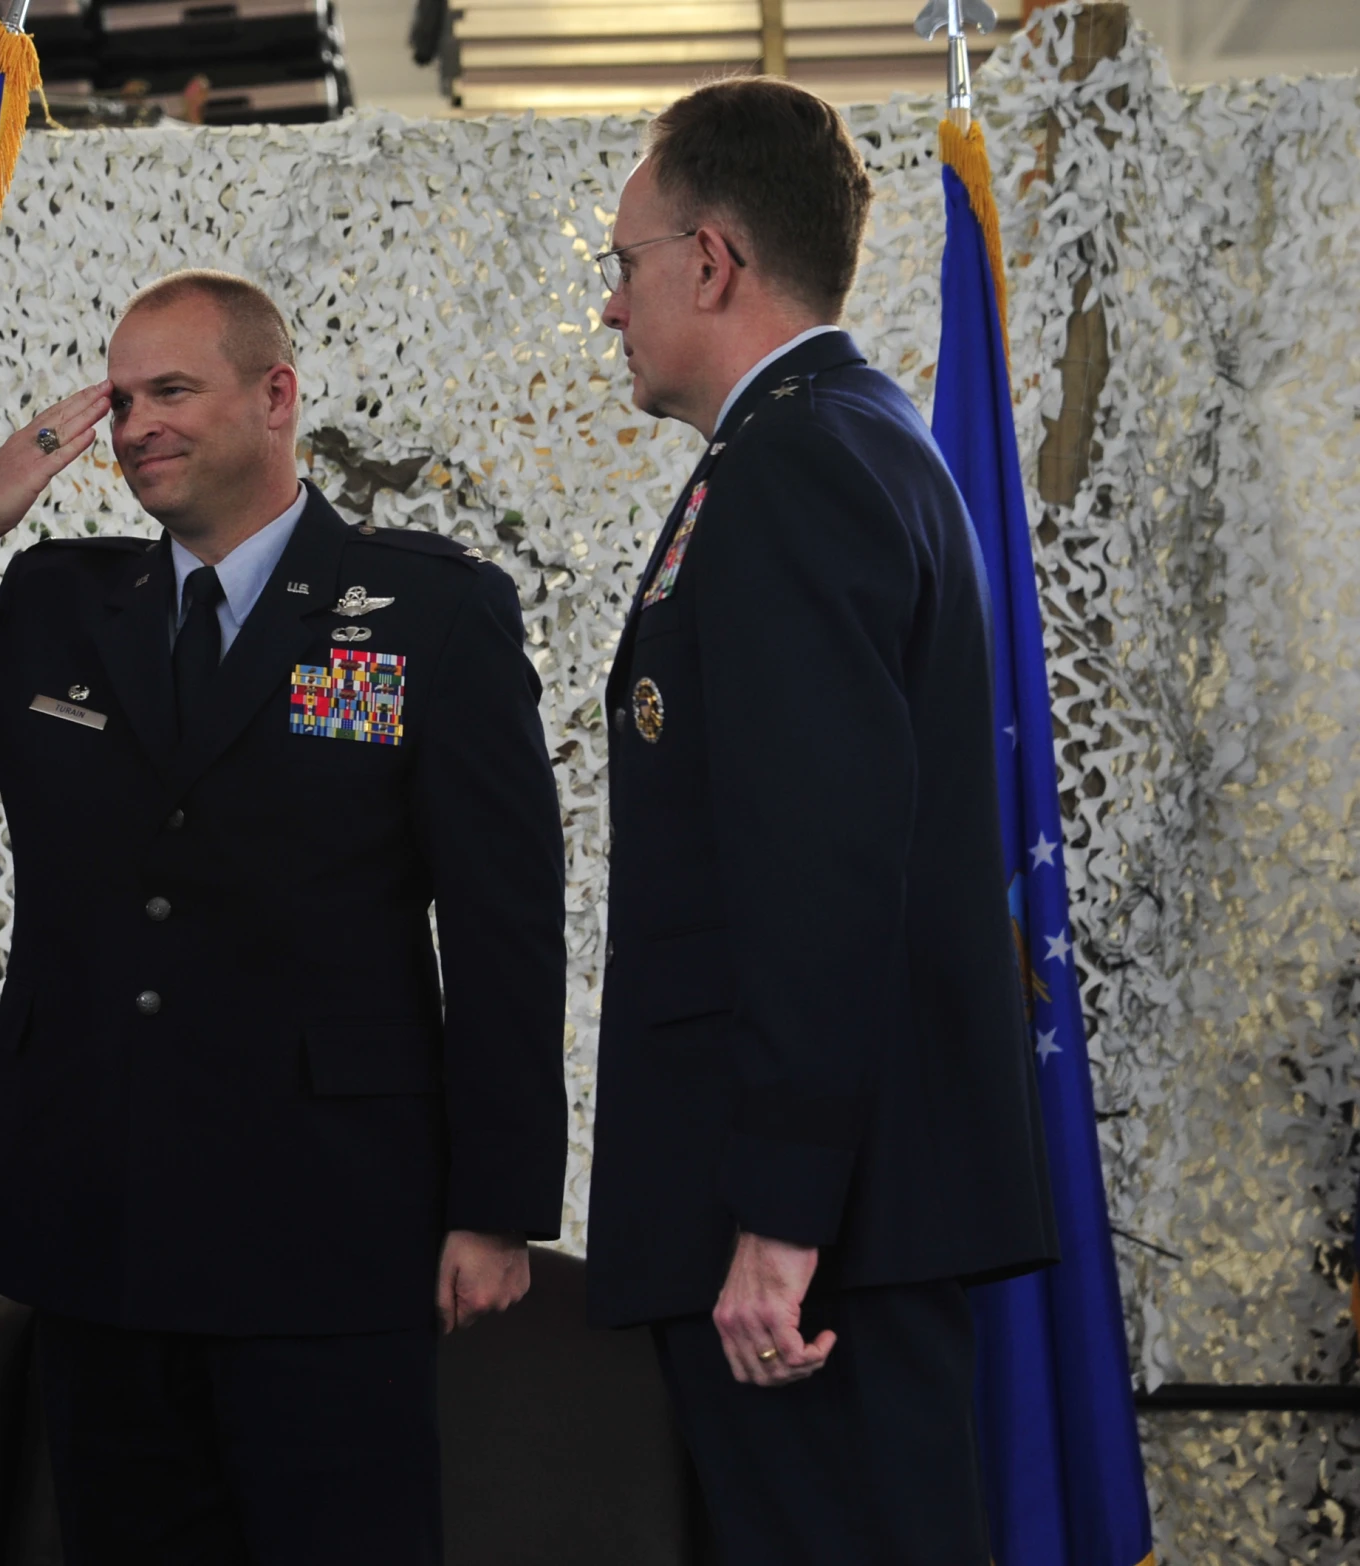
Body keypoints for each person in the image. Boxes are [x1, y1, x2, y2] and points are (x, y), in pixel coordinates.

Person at [0, 270, 570, 1565]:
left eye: (171, 391)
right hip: (99, 1220)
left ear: (277, 395)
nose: (135, 427)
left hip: (328, 1230)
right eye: (121, 399)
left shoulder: (430, 615)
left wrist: (498, 1200)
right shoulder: (63, 602)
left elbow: (505, 922)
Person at [582, 78, 1057, 1565]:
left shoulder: (792, 465)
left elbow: (823, 863)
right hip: (833, 1216)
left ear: (709, 261)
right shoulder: (852, 437)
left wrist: (780, 1216)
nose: (611, 310)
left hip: (811, 1242)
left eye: (623, 265)